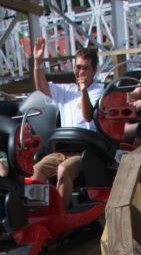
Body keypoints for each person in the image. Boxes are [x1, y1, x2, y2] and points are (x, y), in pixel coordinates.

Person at [31, 39, 105, 211]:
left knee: (63, 170)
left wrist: (84, 90)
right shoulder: (66, 91)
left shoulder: (98, 91)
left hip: (86, 152)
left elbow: (88, 116)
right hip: (63, 149)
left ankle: (59, 213)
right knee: (37, 170)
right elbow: (41, 86)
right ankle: (36, 212)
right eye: (78, 67)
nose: (80, 72)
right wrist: (38, 62)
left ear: (93, 70)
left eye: (85, 68)